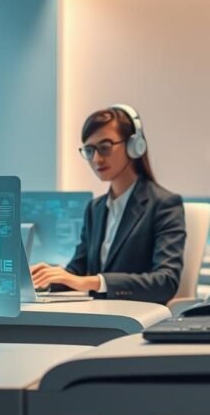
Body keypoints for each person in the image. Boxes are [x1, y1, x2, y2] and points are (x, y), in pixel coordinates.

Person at [29, 104, 187, 304]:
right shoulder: (94, 209)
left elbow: (165, 282)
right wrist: (47, 279)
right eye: (89, 150)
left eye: (105, 147)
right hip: (100, 314)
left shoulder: (164, 204)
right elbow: (77, 272)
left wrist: (95, 282)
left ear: (134, 146)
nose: (97, 158)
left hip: (138, 317)